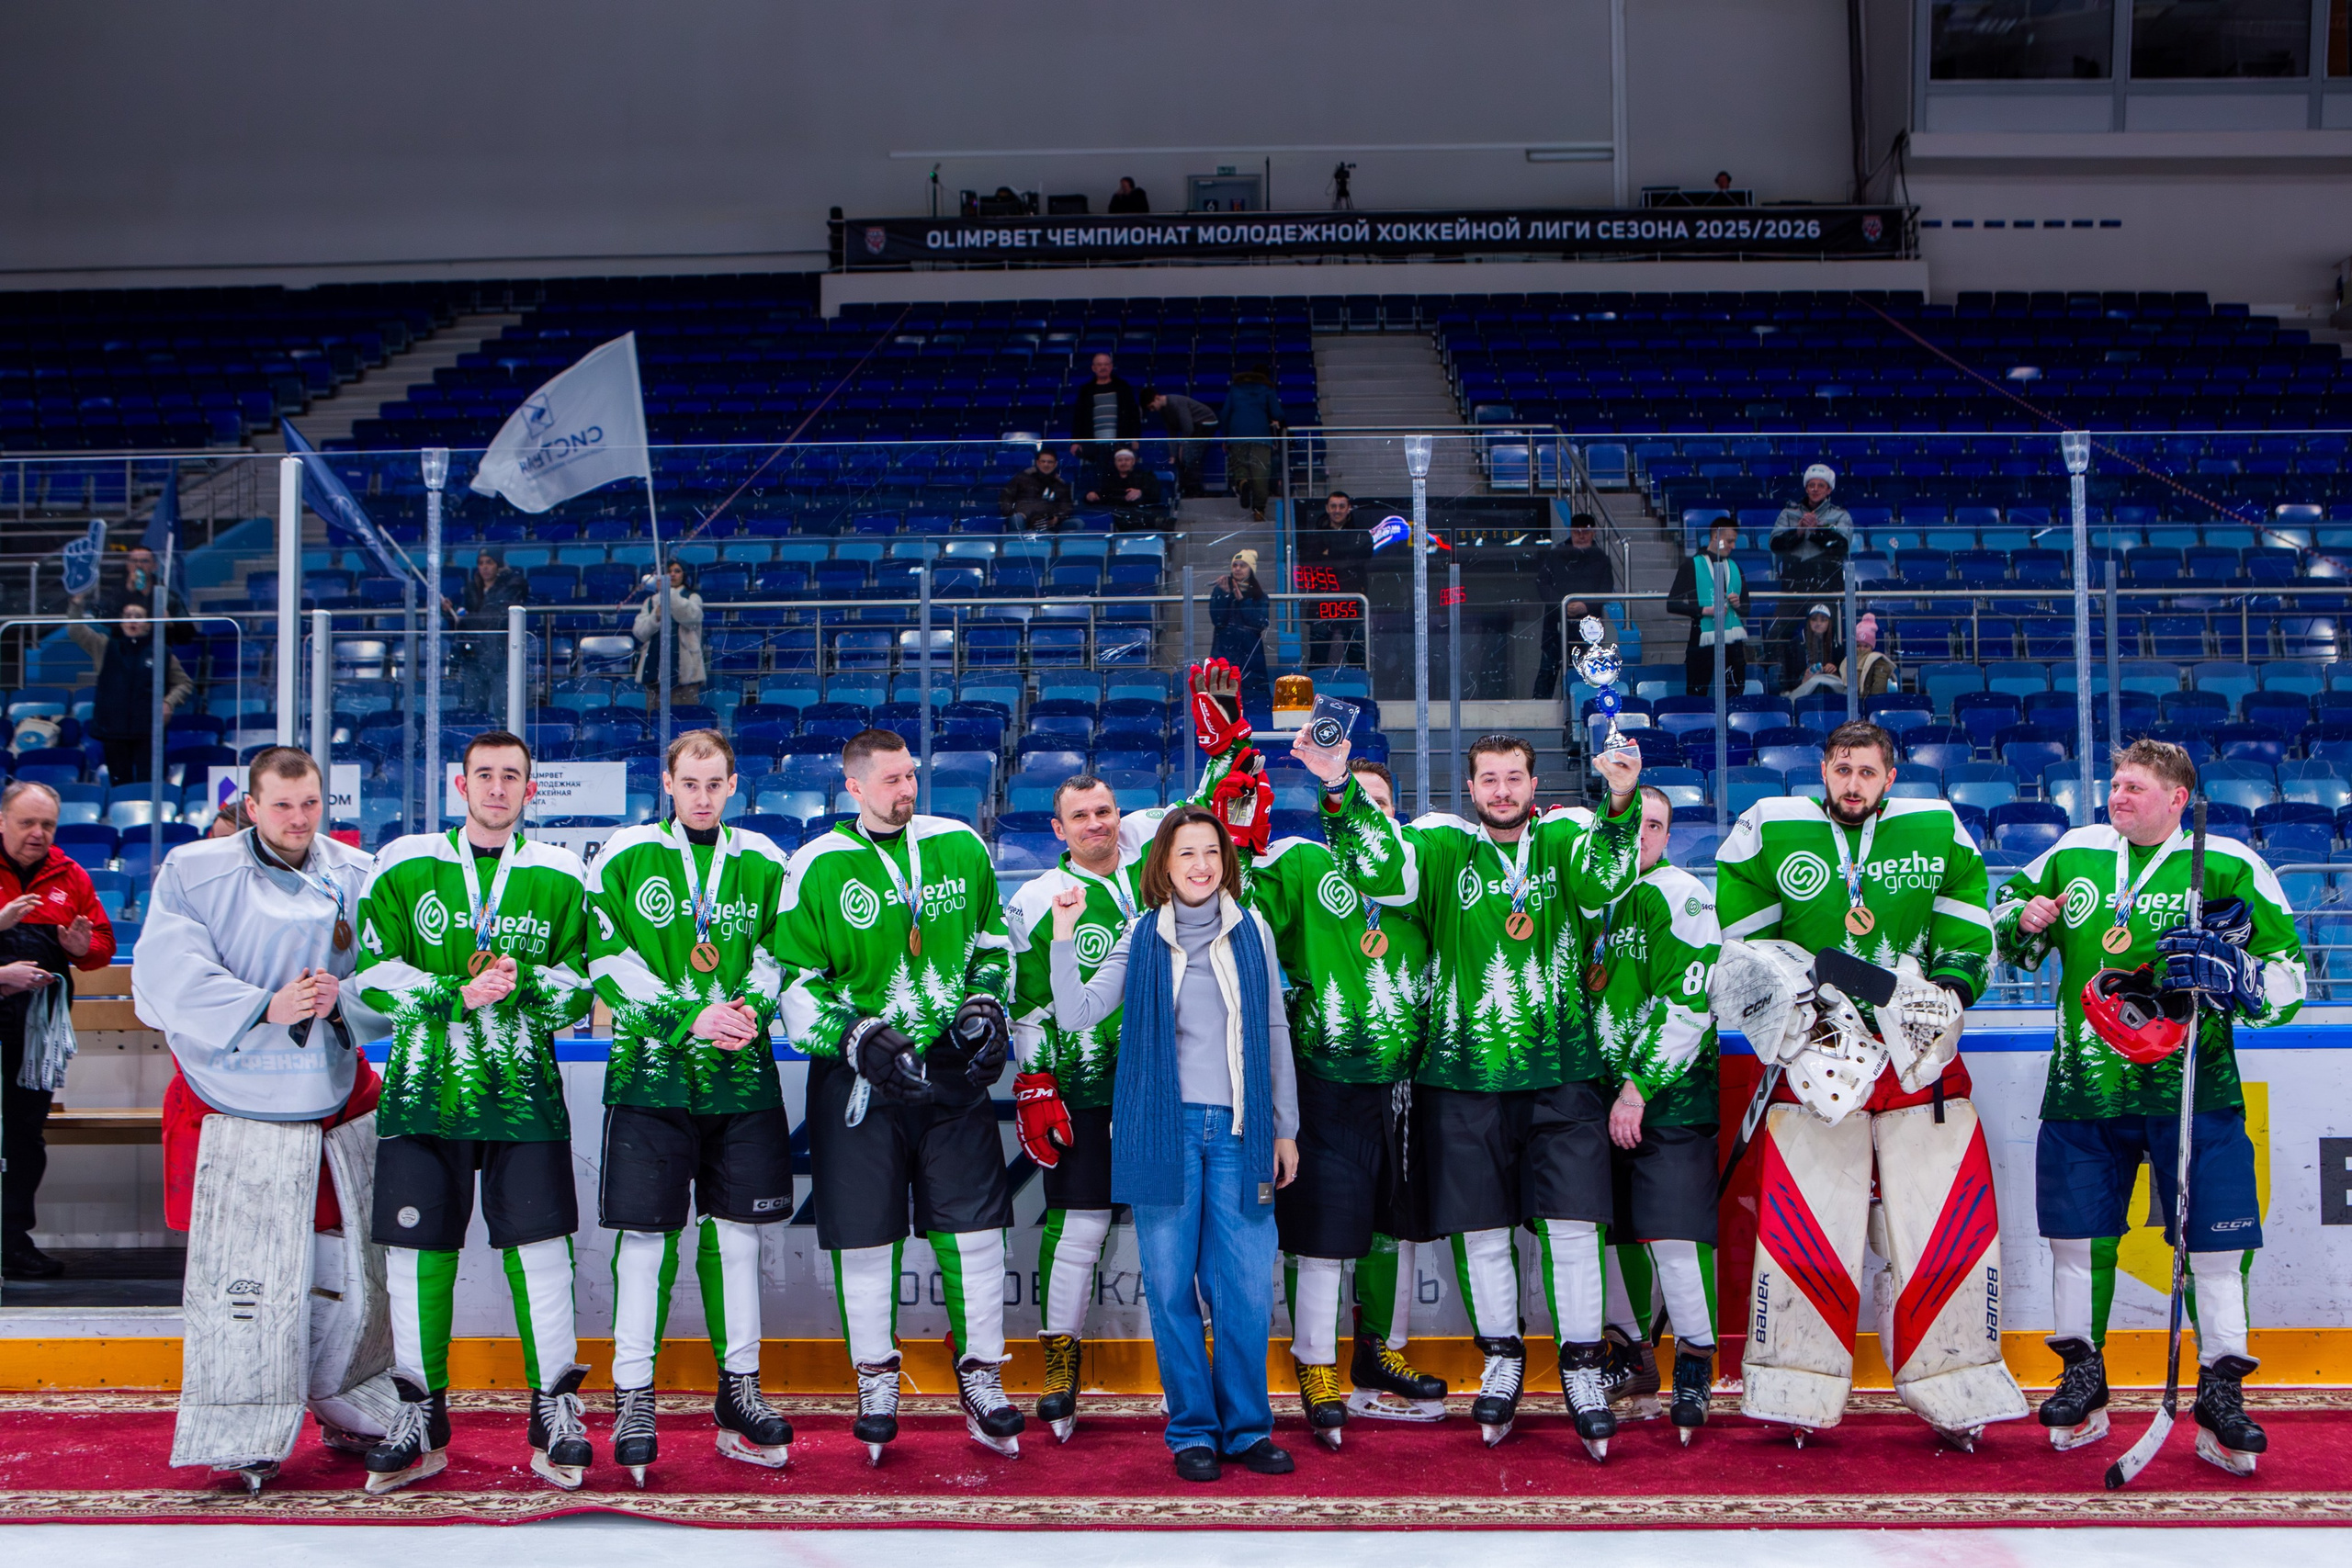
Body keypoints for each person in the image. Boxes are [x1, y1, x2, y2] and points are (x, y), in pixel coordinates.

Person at [1289, 728, 1645, 1459]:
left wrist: (1619, 798)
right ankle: (1503, 1359)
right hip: (1463, 1076)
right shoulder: (1443, 846)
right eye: (1489, 778)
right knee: (1482, 1233)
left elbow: (1605, 880)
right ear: (1471, 788)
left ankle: (1581, 1369)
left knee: (1573, 1228)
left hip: (1561, 1071)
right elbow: (1382, 870)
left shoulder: (1563, 841)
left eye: (1514, 777)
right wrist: (1337, 786)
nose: (1502, 791)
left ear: (1534, 785)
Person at [1992, 739, 2303, 1474]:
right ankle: (2083, 1377)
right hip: (2085, 1089)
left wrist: (2241, 978)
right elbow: (1999, 928)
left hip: (2196, 1092)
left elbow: (2289, 979)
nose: (2117, 796)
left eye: (2134, 786)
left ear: (2177, 797)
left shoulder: (2228, 863)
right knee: (2077, 1243)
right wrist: (2022, 919)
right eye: (2115, 784)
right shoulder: (2073, 853)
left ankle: (2222, 1391)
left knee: (2216, 1249)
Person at [1712, 720, 2024, 1448]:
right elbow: (1745, 946)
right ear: (1824, 768)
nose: (1853, 783)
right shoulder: (1769, 828)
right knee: (1806, 1230)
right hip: (1815, 1058)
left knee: (1939, 1231)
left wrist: (1947, 992)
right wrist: (1791, 1010)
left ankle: (1956, 1380)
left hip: (1917, 1064)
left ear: (1890, 776)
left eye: (1867, 772)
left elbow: (1968, 928)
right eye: (1842, 768)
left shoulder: (1937, 829)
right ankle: (1797, 1382)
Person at [133, 749, 394, 1490]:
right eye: (282, 804)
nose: (298, 818)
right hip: (232, 1093)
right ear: (251, 805)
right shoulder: (194, 869)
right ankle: (240, 1423)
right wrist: (262, 1006)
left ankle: (348, 1396)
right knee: (245, 1278)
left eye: (310, 803)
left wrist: (342, 1000)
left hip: (330, 1090)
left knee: (348, 1265)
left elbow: (390, 968)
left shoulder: (357, 871)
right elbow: (164, 974)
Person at [1003, 678, 1250, 1442]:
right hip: (1084, 1086)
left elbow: (1211, 808)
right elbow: (1028, 1002)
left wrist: (1227, 738)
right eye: (1081, 816)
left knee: (1186, 1238)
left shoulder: (1157, 870)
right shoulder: (1038, 898)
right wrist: (1035, 1078)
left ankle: (1211, 1385)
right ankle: (1060, 1360)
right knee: (1080, 1226)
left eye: (1105, 810)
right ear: (1058, 828)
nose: (1096, 824)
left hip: (1169, 1086)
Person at [350, 731, 596, 1494]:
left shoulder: (561, 873)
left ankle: (554, 1408)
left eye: (511, 776)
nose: (497, 787)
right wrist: (453, 992)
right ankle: (419, 1413)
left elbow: (586, 985)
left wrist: (526, 984)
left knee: (542, 1252)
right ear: (461, 786)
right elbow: (371, 975)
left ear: (530, 789)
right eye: (484, 774)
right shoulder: (402, 863)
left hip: (524, 1097)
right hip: (425, 1094)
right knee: (416, 1257)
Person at [775, 728, 1023, 1462]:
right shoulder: (815, 864)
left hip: (949, 1072)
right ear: (854, 786)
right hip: (858, 1072)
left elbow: (993, 944)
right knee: (865, 1235)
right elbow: (793, 983)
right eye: (890, 779)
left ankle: (982, 1376)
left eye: (911, 775)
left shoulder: (959, 846)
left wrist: (986, 1004)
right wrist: (855, 1035)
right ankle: (877, 1378)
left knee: (975, 1232)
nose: (906, 788)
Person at [1046, 806, 1300, 1483]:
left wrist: (1286, 1127)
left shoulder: (1252, 931)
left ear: (1225, 861)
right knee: (1169, 1286)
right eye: (1186, 852)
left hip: (1243, 1132)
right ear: (1163, 863)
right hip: (1165, 1132)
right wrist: (1064, 935)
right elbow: (1075, 1012)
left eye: (1210, 851)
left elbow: (1274, 1029)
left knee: (1243, 1287)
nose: (1200, 865)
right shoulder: (1140, 936)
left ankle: (1247, 1429)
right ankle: (1192, 1429)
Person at [586, 728, 796, 1483]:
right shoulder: (625, 854)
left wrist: (751, 1007)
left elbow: (781, 953)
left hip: (740, 1075)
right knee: (646, 1240)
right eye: (690, 783)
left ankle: (739, 1389)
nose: (703, 797)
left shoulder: (764, 859)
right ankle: (633, 1395)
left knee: (738, 1239)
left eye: (715, 784)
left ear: (734, 785)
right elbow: (605, 959)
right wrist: (689, 1015)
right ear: (668, 784)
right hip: (652, 1076)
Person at [1249, 757, 1448, 1447]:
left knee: (1394, 1227)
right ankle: (1315, 1364)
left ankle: (1378, 1351)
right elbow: (1240, 903)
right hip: (1324, 1080)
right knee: (1324, 1231)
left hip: (1405, 1084)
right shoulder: (1302, 863)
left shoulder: (1419, 873)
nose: (1371, 811)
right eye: (1357, 799)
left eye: (1382, 802)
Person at [1581, 786, 1721, 1441]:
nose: (1641, 834)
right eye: (1632, 822)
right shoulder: (1590, 896)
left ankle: (1694, 1361)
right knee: (1605, 1235)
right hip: (1595, 1098)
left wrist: (1637, 1088)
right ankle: (1631, 1357)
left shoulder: (1680, 895)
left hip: (1668, 1098)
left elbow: (1688, 1003)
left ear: (1667, 835)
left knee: (1671, 1236)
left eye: (1655, 825)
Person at [0, 781, 117, 1280]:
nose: (38, 833)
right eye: (26, 822)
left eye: (47, 824)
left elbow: (102, 948)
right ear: (2, 821)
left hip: (37, 1037)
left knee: (25, 1137)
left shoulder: (70, 875)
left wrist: (79, 948)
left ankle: (12, 1244)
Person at [68, 597, 192, 785]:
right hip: (113, 731)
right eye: (128, 616)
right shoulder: (104, 646)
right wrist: (76, 604)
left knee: (148, 786)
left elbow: (184, 683)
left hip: (148, 732)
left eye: (138, 616)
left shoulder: (162, 652)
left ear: (148, 624)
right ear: (121, 622)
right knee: (120, 787)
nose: (132, 620)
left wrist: (169, 702)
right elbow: (76, 630)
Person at [1534, 513, 1617, 702]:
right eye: (1576, 532)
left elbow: (1606, 590)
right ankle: (1539, 710)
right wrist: (1562, 604)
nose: (1581, 536)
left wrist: (1586, 606)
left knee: (1586, 676)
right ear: (1570, 531)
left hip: (1588, 630)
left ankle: (1585, 708)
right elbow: (1542, 583)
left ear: (1593, 532)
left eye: (1585, 532)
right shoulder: (1555, 554)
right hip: (1556, 625)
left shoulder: (1601, 559)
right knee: (1547, 673)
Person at [1667, 519, 1749, 698]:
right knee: (1697, 693)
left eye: (1734, 541)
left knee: (1735, 693)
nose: (1733, 546)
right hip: (1702, 637)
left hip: (1732, 643)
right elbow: (1672, 604)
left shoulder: (1735, 568)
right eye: (1729, 541)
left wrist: (1737, 605)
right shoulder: (1691, 565)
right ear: (1715, 537)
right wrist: (1704, 610)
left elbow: (1746, 609)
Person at [451, 549, 530, 717]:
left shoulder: (513, 584)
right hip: (473, 657)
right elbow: (462, 625)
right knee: (473, 710)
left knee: (503, 709)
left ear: (498, 565)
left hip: (500, 656)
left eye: (489, 562)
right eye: (481, 563)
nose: (484, 567)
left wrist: (467, 617)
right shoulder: (472, 588)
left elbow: (494, 615)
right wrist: (450, 612)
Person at [633, 558, 706, 714]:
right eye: (669, 571)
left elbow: (692, 619)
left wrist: (668, 594)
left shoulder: (692, 597)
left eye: (677, 571)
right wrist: (655, 617)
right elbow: (639, 632)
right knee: (654, 715)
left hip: (685, 672)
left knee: (685, 715)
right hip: (655, 668)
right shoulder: (650, 602)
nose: (672, 575)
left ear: (684, 575)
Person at [1770, 464, 1854, 598]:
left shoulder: (1841, 515)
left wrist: (1817, 531)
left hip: (1828, 586)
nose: (1815, 489)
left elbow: (1842, 546)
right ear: (1806, 489)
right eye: (1811, 485)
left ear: (1829, 490)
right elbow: (1775, 545)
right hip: (1792, 585)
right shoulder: (1787, 514)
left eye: (1821, 485)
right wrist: (1798, 533)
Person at [1220, 365, 1285, 521]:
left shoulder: (1235, 389)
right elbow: (1277, 413)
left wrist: (1225, 436)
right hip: (1261, 437)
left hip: (1237, 435)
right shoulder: (1267, 389)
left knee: (1239, 466)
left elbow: (1224, 414)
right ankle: (1259, 510)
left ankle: (1242, 482)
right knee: (1260, 475)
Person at [1068, 353, 1142, 485]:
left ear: (1111, 366)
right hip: (1095, 443)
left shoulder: (1123, 387)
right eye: (1100, 365)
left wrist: (1135, 438)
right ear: (1093, 368)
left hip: (1120, 441)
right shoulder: (1086, 390)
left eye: (1106, 364)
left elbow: (1134, 415)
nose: (1103, 367)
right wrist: (1075, 441)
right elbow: (1079, 417)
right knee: (1099, 477)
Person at [1209, 550, 1271, 707]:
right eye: (1235, 565)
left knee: (1252, 702)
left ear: (1251, 569)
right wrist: (1225, 596)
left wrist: (1243, 601)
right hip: (1224, 653)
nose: (1237, 569)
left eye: (1242, 565)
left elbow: (1260, 623)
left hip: (1250, 657)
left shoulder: (1259, 596)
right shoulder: (1220, 590)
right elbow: (1217, 621)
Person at [1145, 388, 1219, 497]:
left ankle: (1195, 491)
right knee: (1182, 457)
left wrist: (1182, 447)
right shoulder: (1164, 411)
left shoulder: (1175, 403)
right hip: (1195, 426)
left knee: (1189, 455)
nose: (1152, 410)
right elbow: (1171, 432)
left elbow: (1188, 427)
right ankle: (1186, 488)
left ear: (1157, 398)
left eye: (1152, 406)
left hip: (1205, 423)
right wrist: (1173, 454)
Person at [1083, 446, 1165, 528]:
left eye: (1127, 460)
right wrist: (1089, 496)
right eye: (1120, 460)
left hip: (1136, 511)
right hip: (1112, 512)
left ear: (1133, 461)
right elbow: (1099, 494)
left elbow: (1155, 494)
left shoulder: (1146, 476)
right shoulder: (1107, 477)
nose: (1123, 463)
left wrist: (1140, 493)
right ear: (1115, 462)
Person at [1000, 448, 1076, 532]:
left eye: (1050, 462)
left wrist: (1057, 519)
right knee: (1016, 519)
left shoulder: (1060, 484)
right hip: (1024, 519)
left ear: (1055, 464)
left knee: (1077, 523)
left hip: (1048, 523)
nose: (1046, 465)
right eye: (1043, 461)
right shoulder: (1022, 478)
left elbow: (1066, 506)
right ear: (1037, 462)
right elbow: (1006, 496)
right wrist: (1012, 513)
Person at [1783, 604, 1847, 698]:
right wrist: (1804, 679)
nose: (1818, 623)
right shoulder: (1794, 645)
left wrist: (1834, 672)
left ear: (1829, 623)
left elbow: (1845, 680)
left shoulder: (1838, 648)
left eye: (1823, 620)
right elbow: (1787, 681)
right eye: (1814, 619)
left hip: (1831, 694)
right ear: (1808, 622)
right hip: (1803, 695)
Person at [1846, 612, 1896, 698]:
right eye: (1858, 646)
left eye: (1866, 646)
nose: (1862, 649)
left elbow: (1878, 689)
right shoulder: (1848, 661)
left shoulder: (1879, 661)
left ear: (1872, 647)